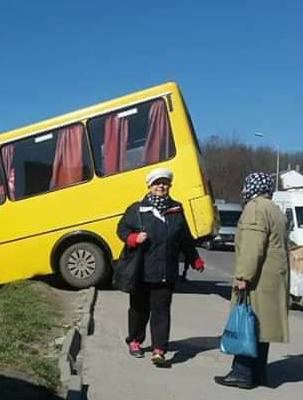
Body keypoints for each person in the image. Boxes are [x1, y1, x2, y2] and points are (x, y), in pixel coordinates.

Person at [117, 167, 205, 366]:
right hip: (141, 270)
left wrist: (194, 259)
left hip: (165, 270)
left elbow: (185, 238)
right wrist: (133, 238)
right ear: (149, 186)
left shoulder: (176, 210)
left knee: (161, 311)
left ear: (169, 186)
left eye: (164, 183)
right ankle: (135, 341)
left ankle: (159, 349)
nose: (161, 186)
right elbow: (121, 229)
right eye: (157, 183)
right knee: (138, 309)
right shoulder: (137, 209)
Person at [214, 172, 289, 389]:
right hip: (272, 280)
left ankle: (242, 373)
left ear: (250, 187)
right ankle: (258, 374)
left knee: (246, 324)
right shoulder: (274, 209)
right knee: (260, 328)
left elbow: (252, 247)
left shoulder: (255, 208)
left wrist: (243, 277)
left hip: (258, 280)